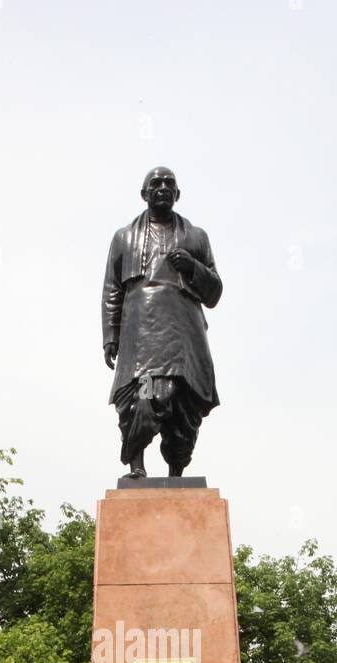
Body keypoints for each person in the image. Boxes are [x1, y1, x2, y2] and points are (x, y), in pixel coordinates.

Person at [102, 167, 222, 477]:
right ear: (144, 194)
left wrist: (193, 266)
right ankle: (137, 467)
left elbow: (214, 293)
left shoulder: (197, 237)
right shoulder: (124, 237)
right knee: (142, 398)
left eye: (170, 184)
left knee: (183, 407)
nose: (163, 188)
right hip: (140, 335)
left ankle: (176, 475)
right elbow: (112, 290)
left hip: (183, 334)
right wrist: (110, 336)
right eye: (155, 183)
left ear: (178, 194)